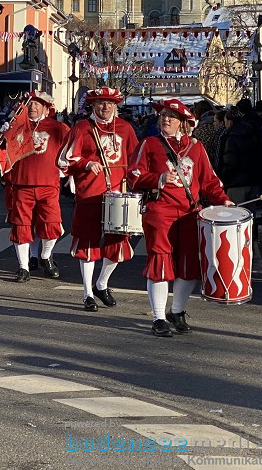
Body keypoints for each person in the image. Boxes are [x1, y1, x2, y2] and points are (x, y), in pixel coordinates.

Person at [129, 99, 231, 336]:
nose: (166, 119)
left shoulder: (196, 147)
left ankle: (177, 310)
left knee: (189, 265)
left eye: (172, 117)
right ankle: (158, 317)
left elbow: (209, 181)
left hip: (189, 213)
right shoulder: (150, 144)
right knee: (160, 263)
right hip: (159, 211)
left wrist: (223, 199)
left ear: (183, 124)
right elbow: (133, 175)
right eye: (164, 115)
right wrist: (157, 180)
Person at [57, 87, 139, 312]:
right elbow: (64, 160)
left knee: (118, 242)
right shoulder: (82, 127)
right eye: (101, 102)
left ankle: (102, 283)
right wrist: (85, 163)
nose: (105, 106)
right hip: (90, 193)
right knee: (88, 242)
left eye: (110, 103)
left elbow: (136, 160)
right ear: (92, 105)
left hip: (117, 194)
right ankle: (87, 293)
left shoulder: (125, 128)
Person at [1, 92, 69, 282]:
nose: (33, 107)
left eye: (38, 104)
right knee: (21, 226)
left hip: (48, 183)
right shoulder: (16, 126)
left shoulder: (58, 127)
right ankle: (23, 267)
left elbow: (72, 149)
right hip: (21, 183)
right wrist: (4, 134)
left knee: (52, 224)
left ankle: (46, 256)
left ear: (47, 109)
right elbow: (2, 155)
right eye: (30, 104)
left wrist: (68, 173)